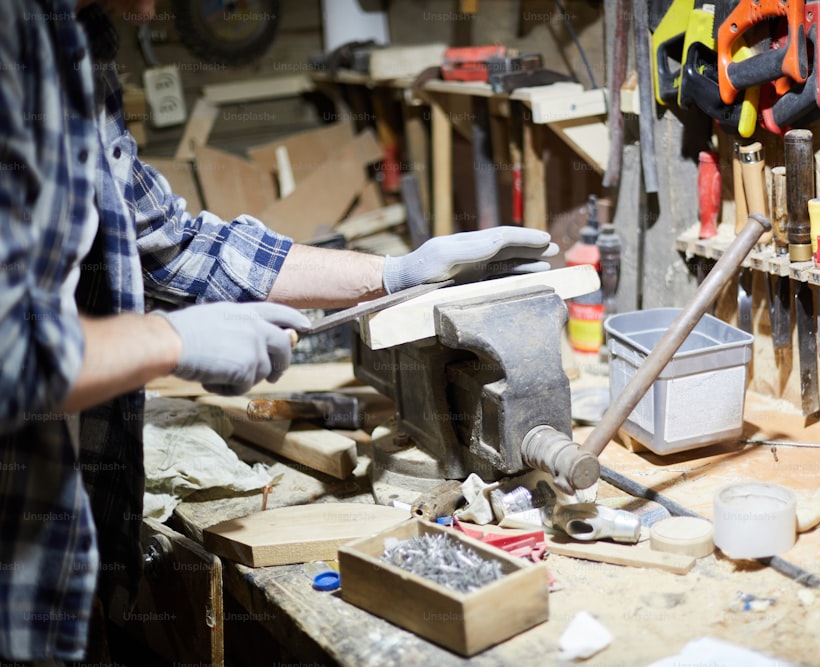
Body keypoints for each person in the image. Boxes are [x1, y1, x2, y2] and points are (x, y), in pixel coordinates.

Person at [0, 0, 557, 661]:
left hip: (59, 556)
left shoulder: (75, 43)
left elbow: (173, 246)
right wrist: (169, 341)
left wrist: (397, 273)